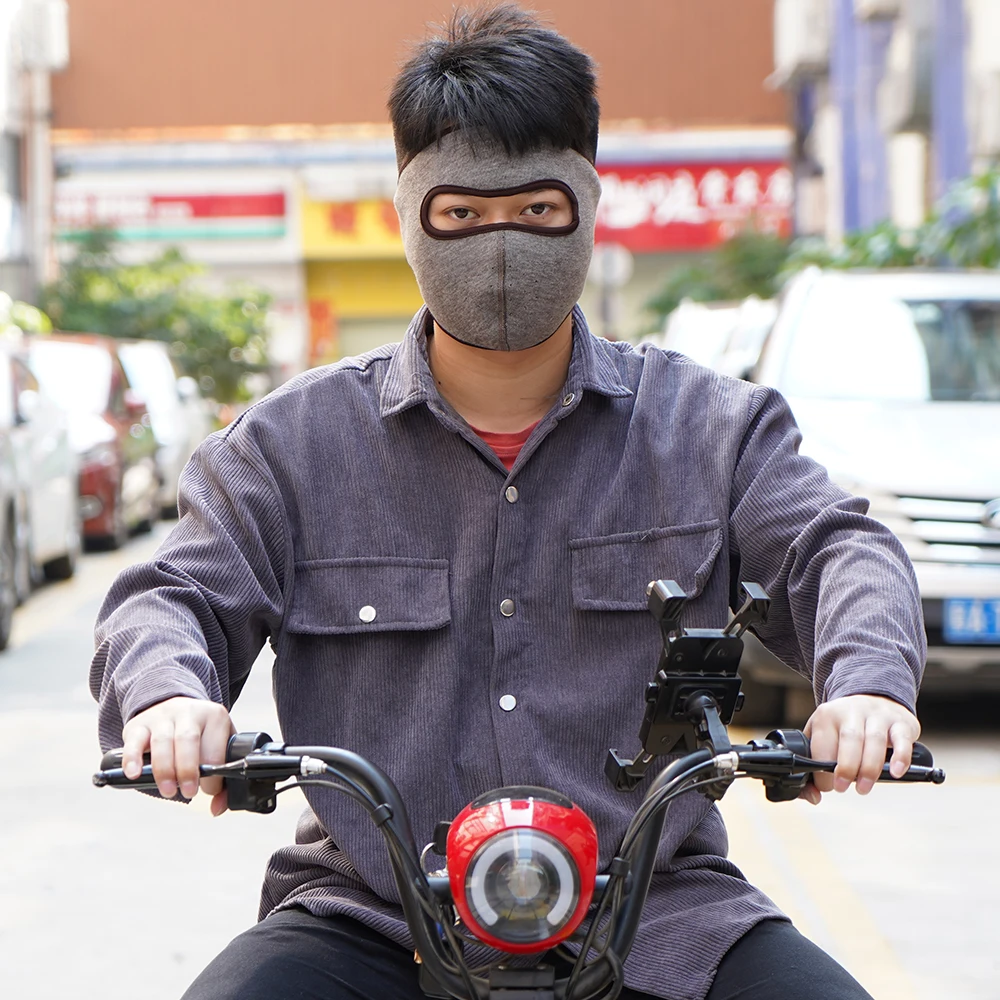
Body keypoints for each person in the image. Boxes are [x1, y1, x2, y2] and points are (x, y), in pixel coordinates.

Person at [90, 7, 925, 1000]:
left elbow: (839, 546)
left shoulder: (710, 425)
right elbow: (169, 594)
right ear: (410, 212)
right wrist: (171, 699)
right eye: (461, 215)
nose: (498, 248)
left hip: (657, 906)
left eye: (535, 211)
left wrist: (867, 684)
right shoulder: (287, 446)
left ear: (587, 199)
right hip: (373, 913)